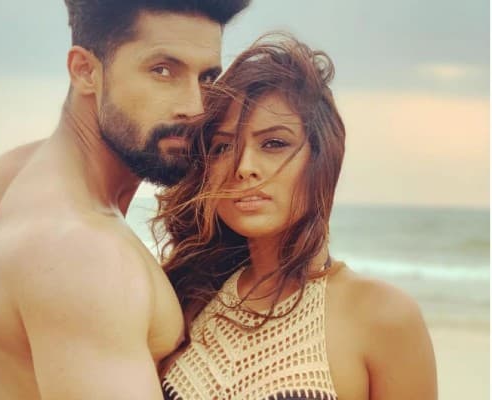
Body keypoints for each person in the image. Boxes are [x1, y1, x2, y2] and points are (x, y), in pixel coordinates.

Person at [0, 1, 251, 399]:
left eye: (207, 78)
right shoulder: (87, 257)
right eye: (163, 71)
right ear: (85, 70)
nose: (195, 107)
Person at [155, 34, 438, 400]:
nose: (244, 167)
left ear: (322, 158)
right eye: (223, 147)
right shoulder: (184, 300)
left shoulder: (382, 316)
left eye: (274, 143)